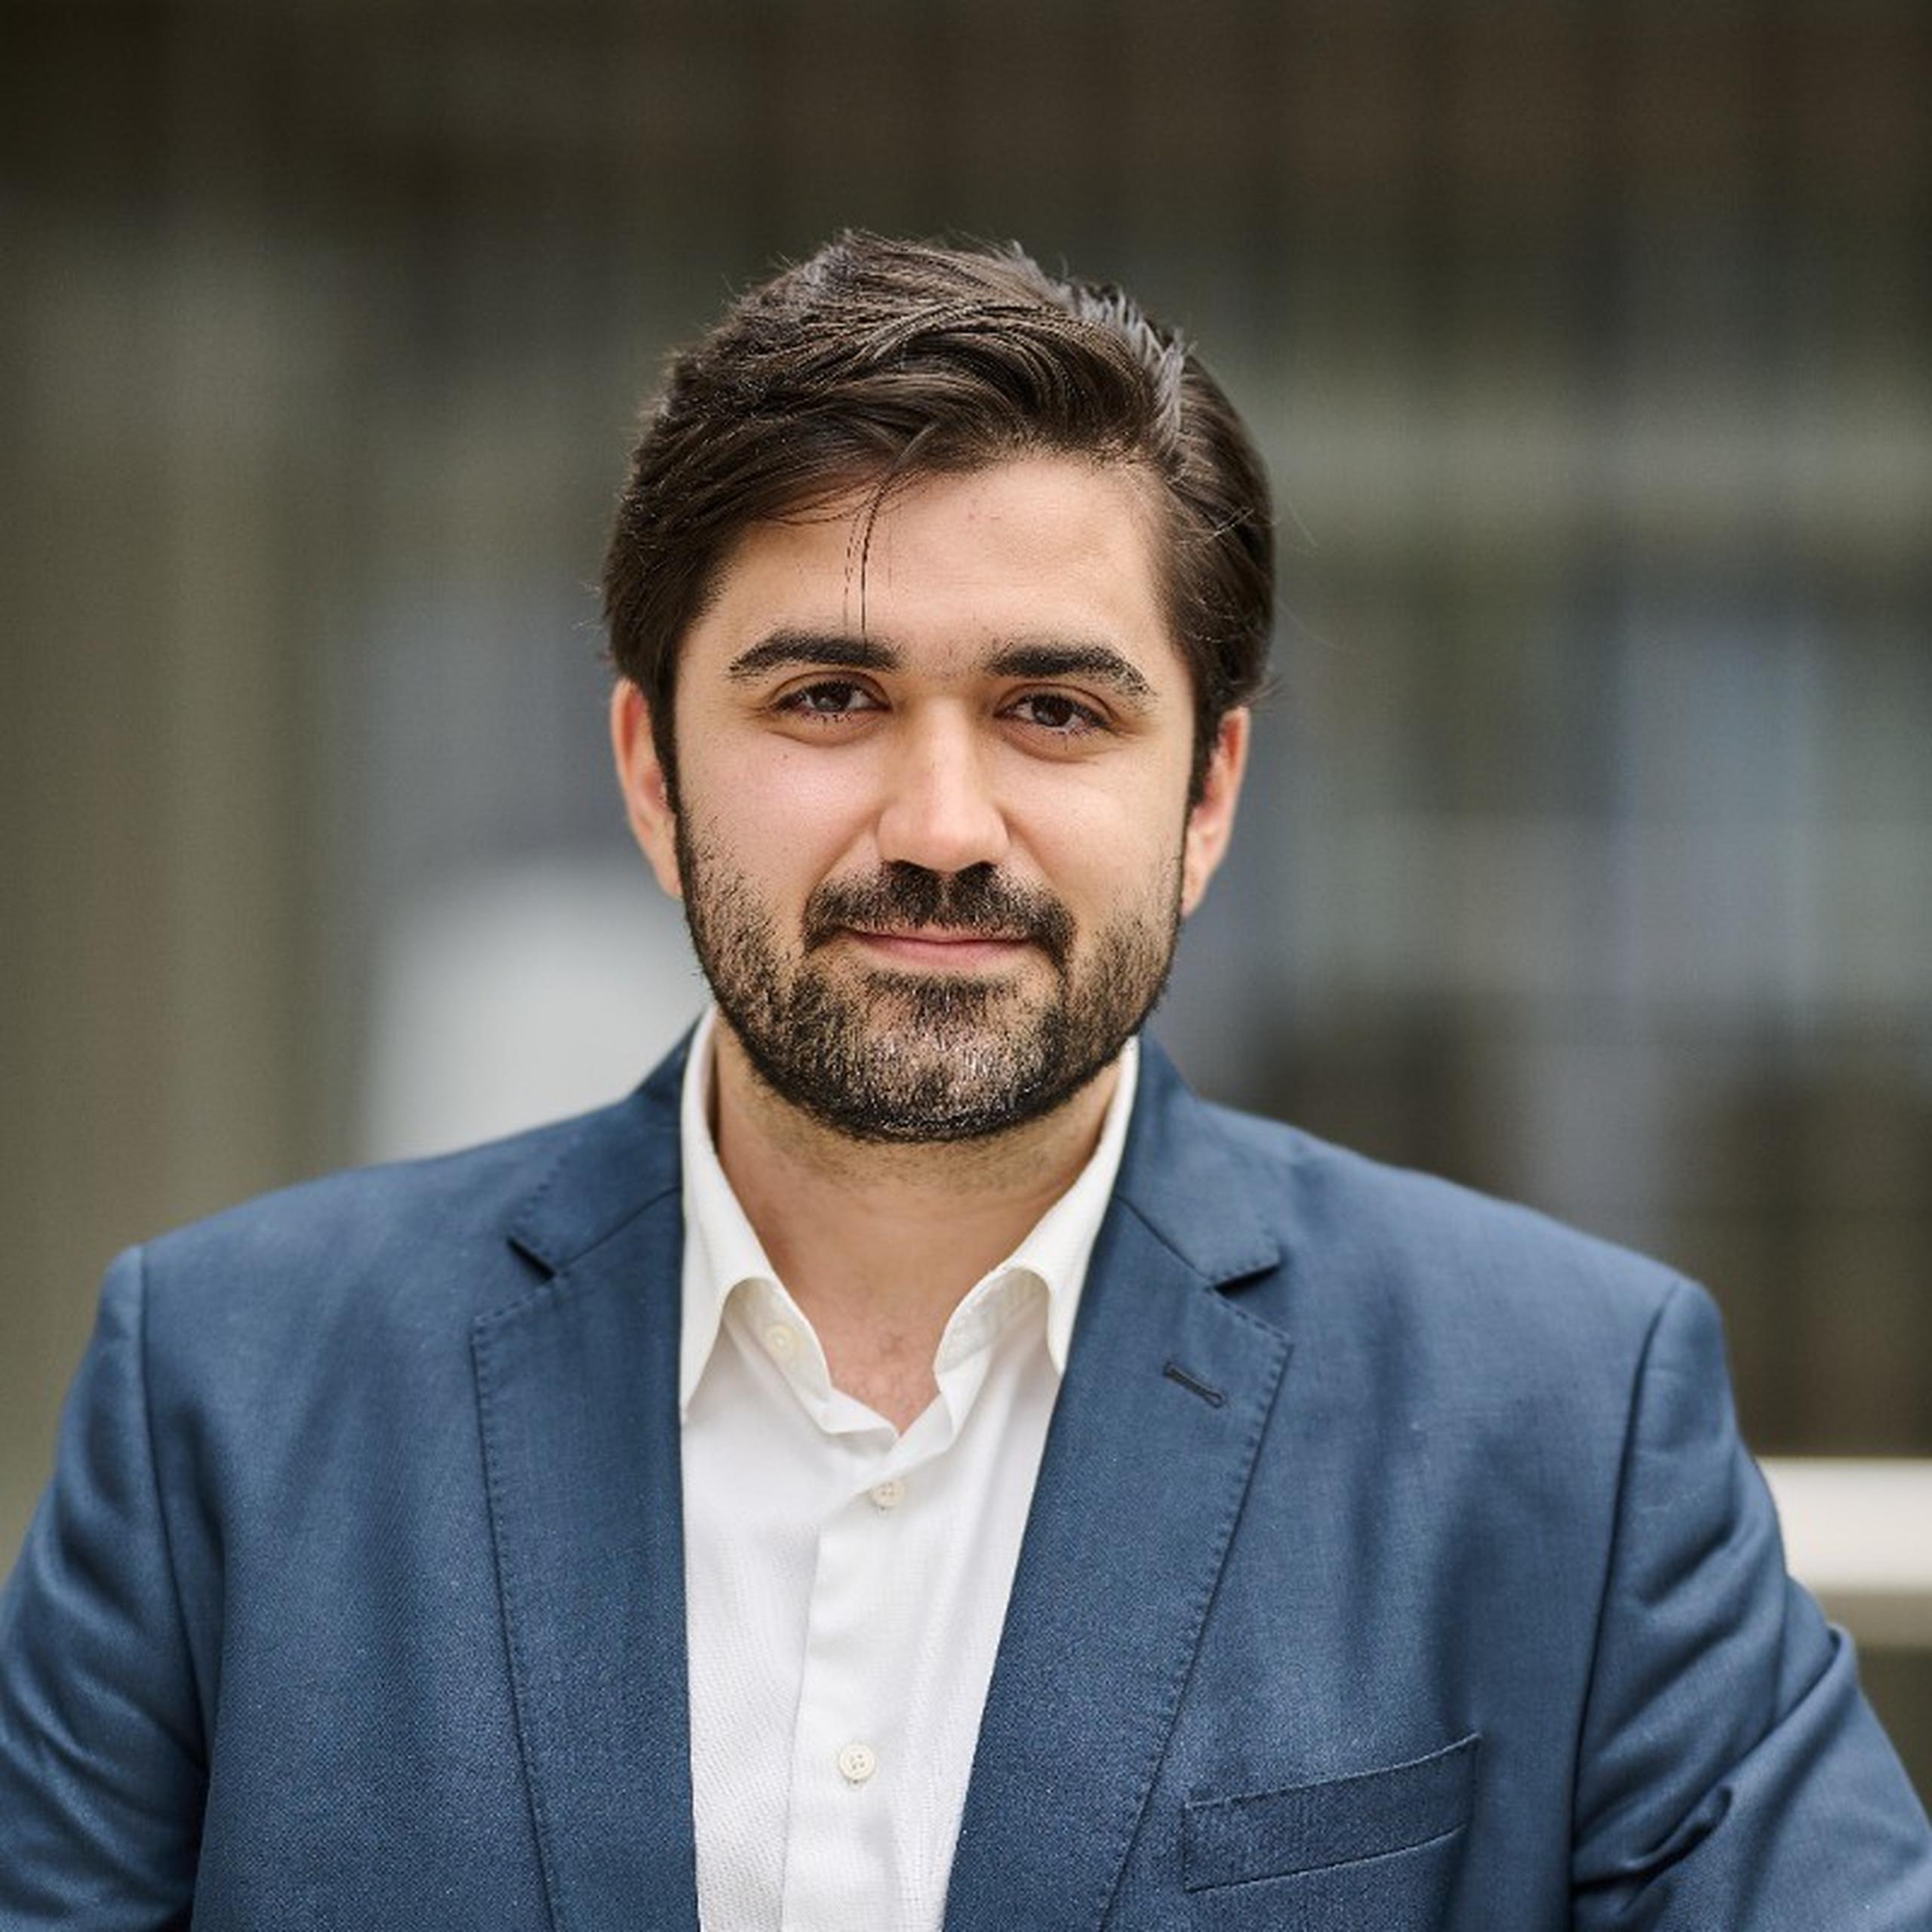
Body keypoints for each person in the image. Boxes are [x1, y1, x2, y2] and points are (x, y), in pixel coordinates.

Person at [2, 232, 1927, 1931]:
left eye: (1053, 708)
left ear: (1208, 796)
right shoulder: (225, 1398)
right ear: (650, 771)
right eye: (825, 696)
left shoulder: (1562, 1419)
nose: (940, 824)